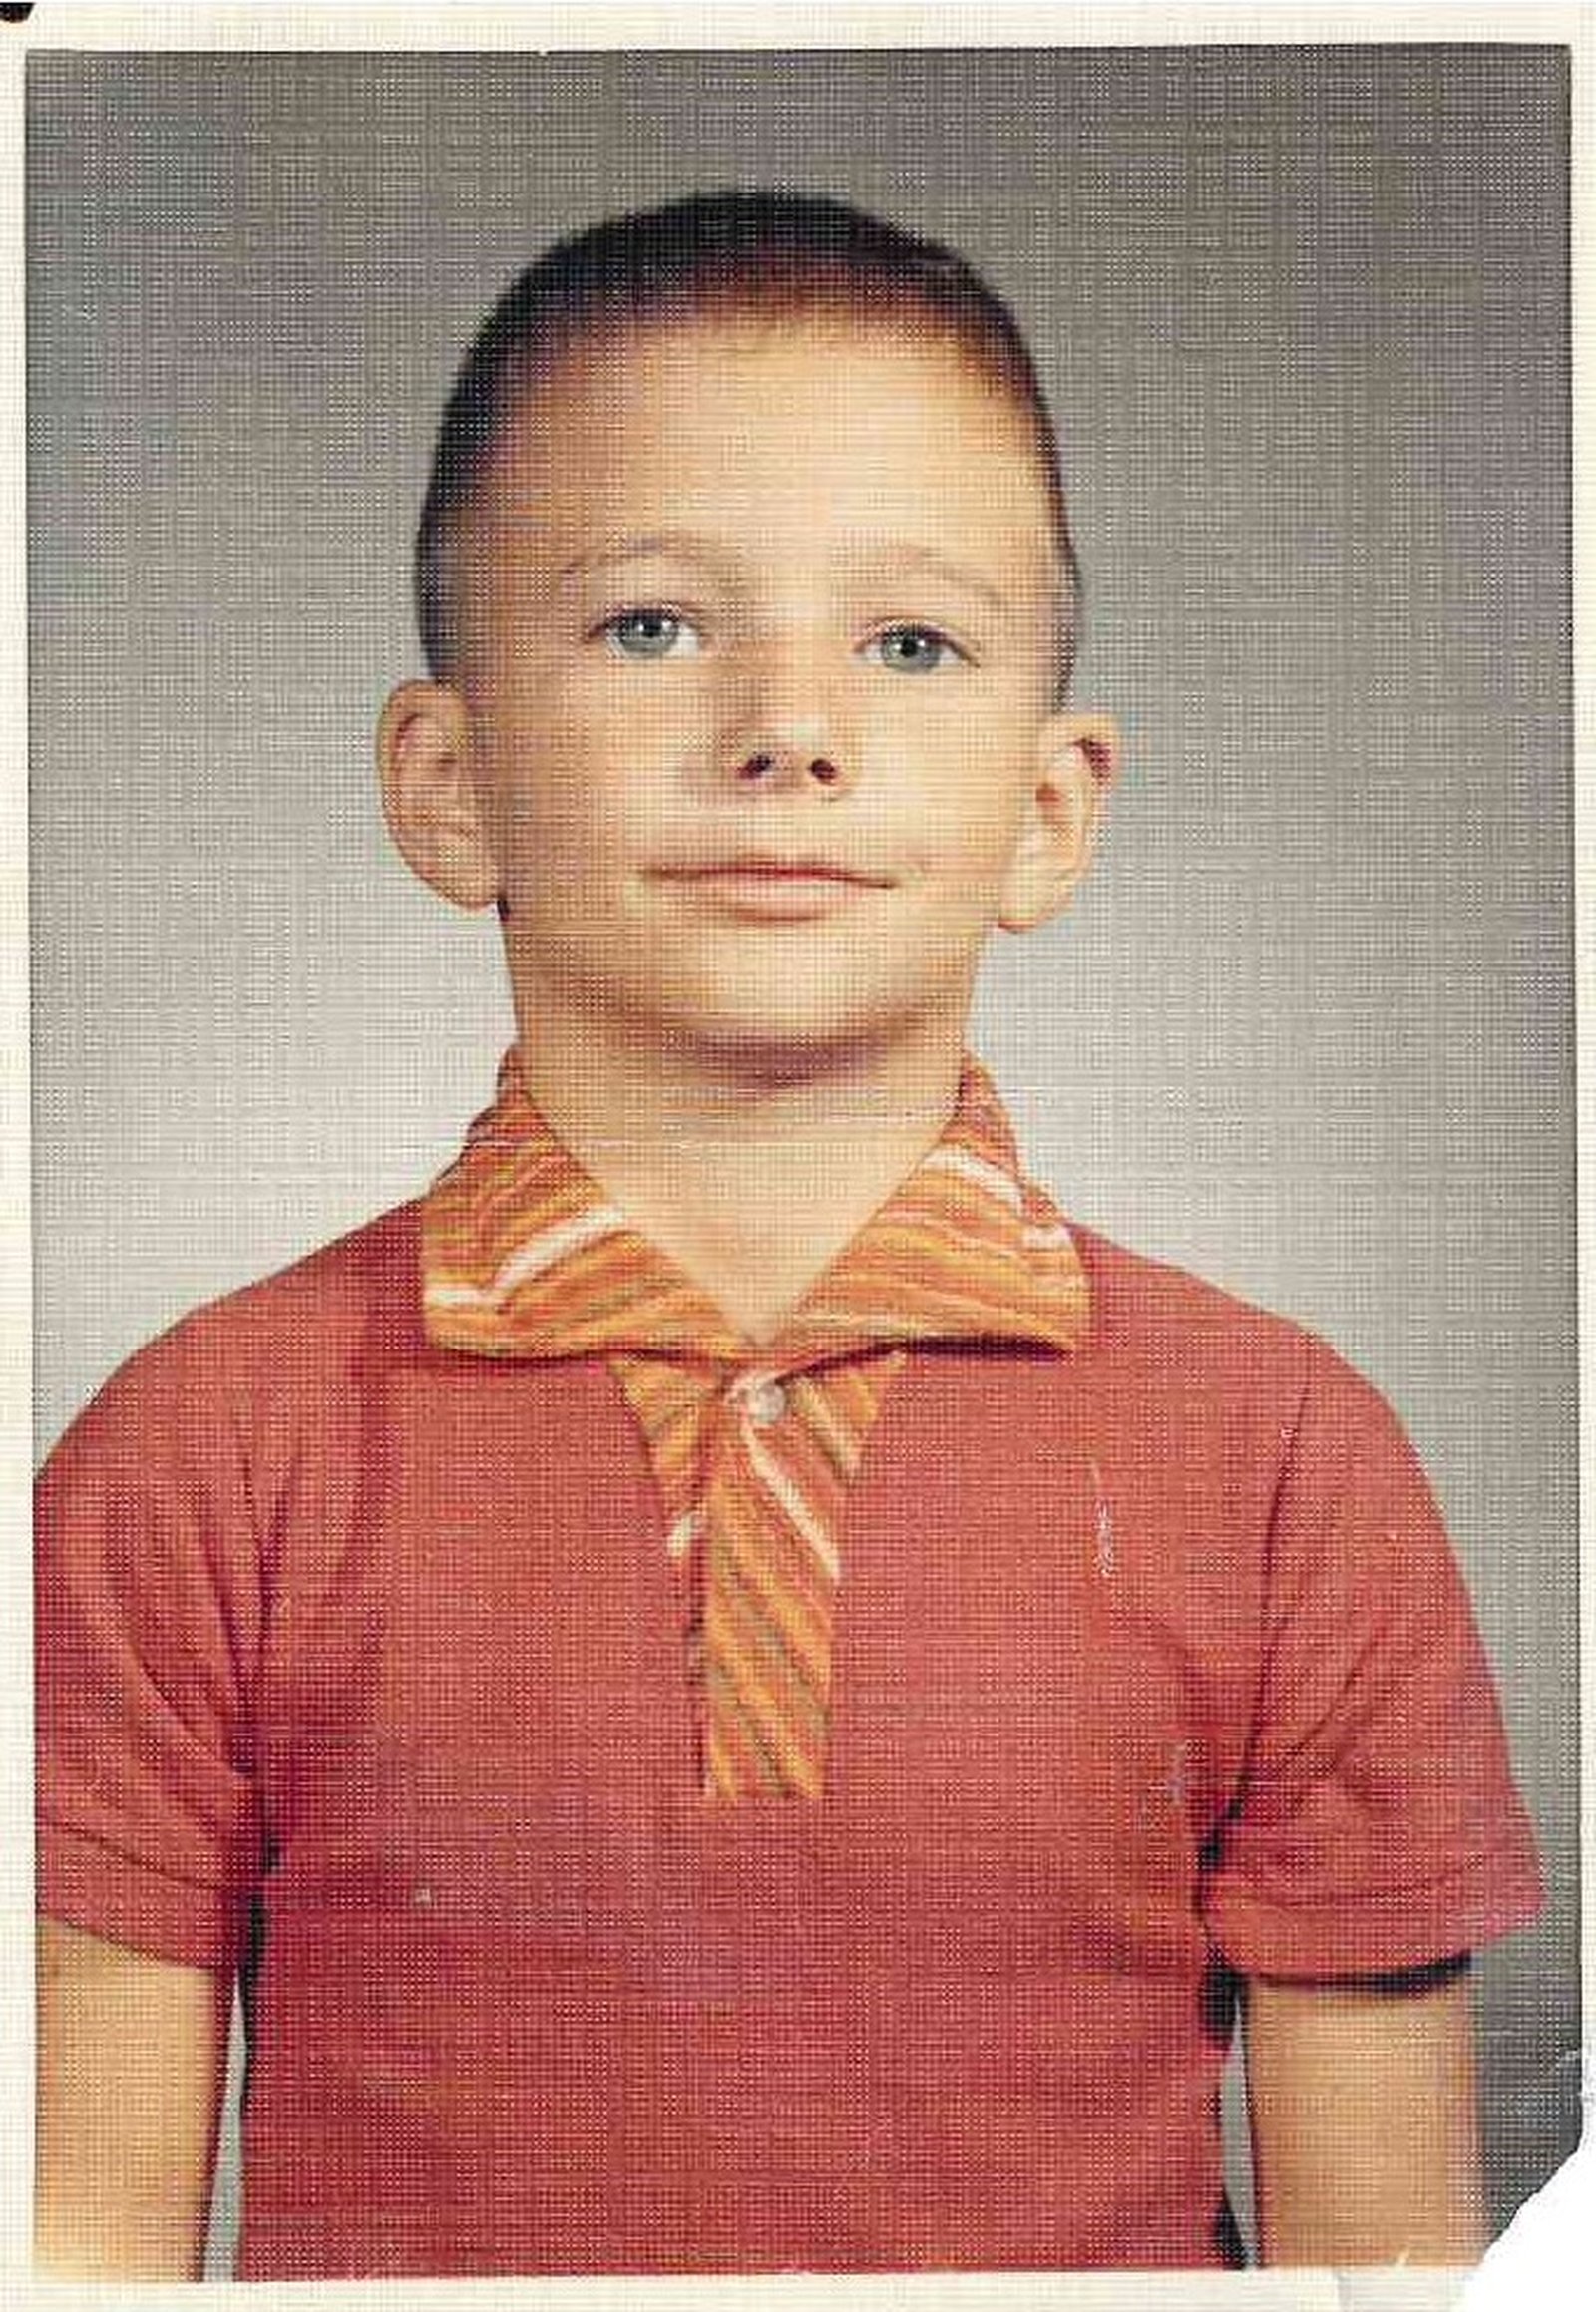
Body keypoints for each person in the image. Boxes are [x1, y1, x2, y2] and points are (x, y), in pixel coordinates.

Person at [34, 190, 1543, 2281]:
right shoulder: (196, 1457)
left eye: (907, 643)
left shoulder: (1283, 1461)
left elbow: (1383, 2266)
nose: (787, 729)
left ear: (1048, 808)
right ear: (446, 780)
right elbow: (73, 2246)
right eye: (650, 624)